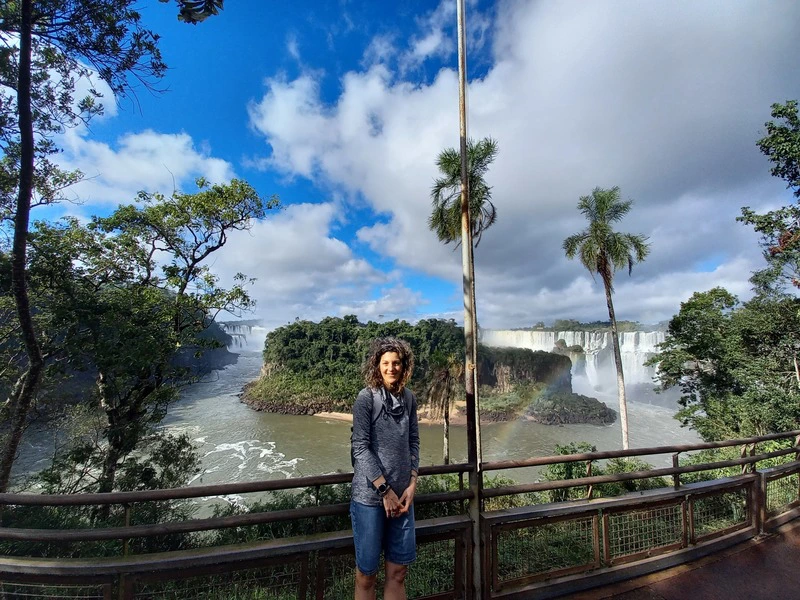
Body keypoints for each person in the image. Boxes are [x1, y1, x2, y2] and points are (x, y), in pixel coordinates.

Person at [350, 337, 420, 600]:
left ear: (404, 366)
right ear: (377, 366)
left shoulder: (410, 399)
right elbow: (360, 448)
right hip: (369, 500)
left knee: (398, 572)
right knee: (367, 575)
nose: (391, 368)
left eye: (396, 363)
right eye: (385, 363)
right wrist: (384, 491)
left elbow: (414, 442)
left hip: (403, 500)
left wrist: (412, 483)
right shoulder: (366, 399)